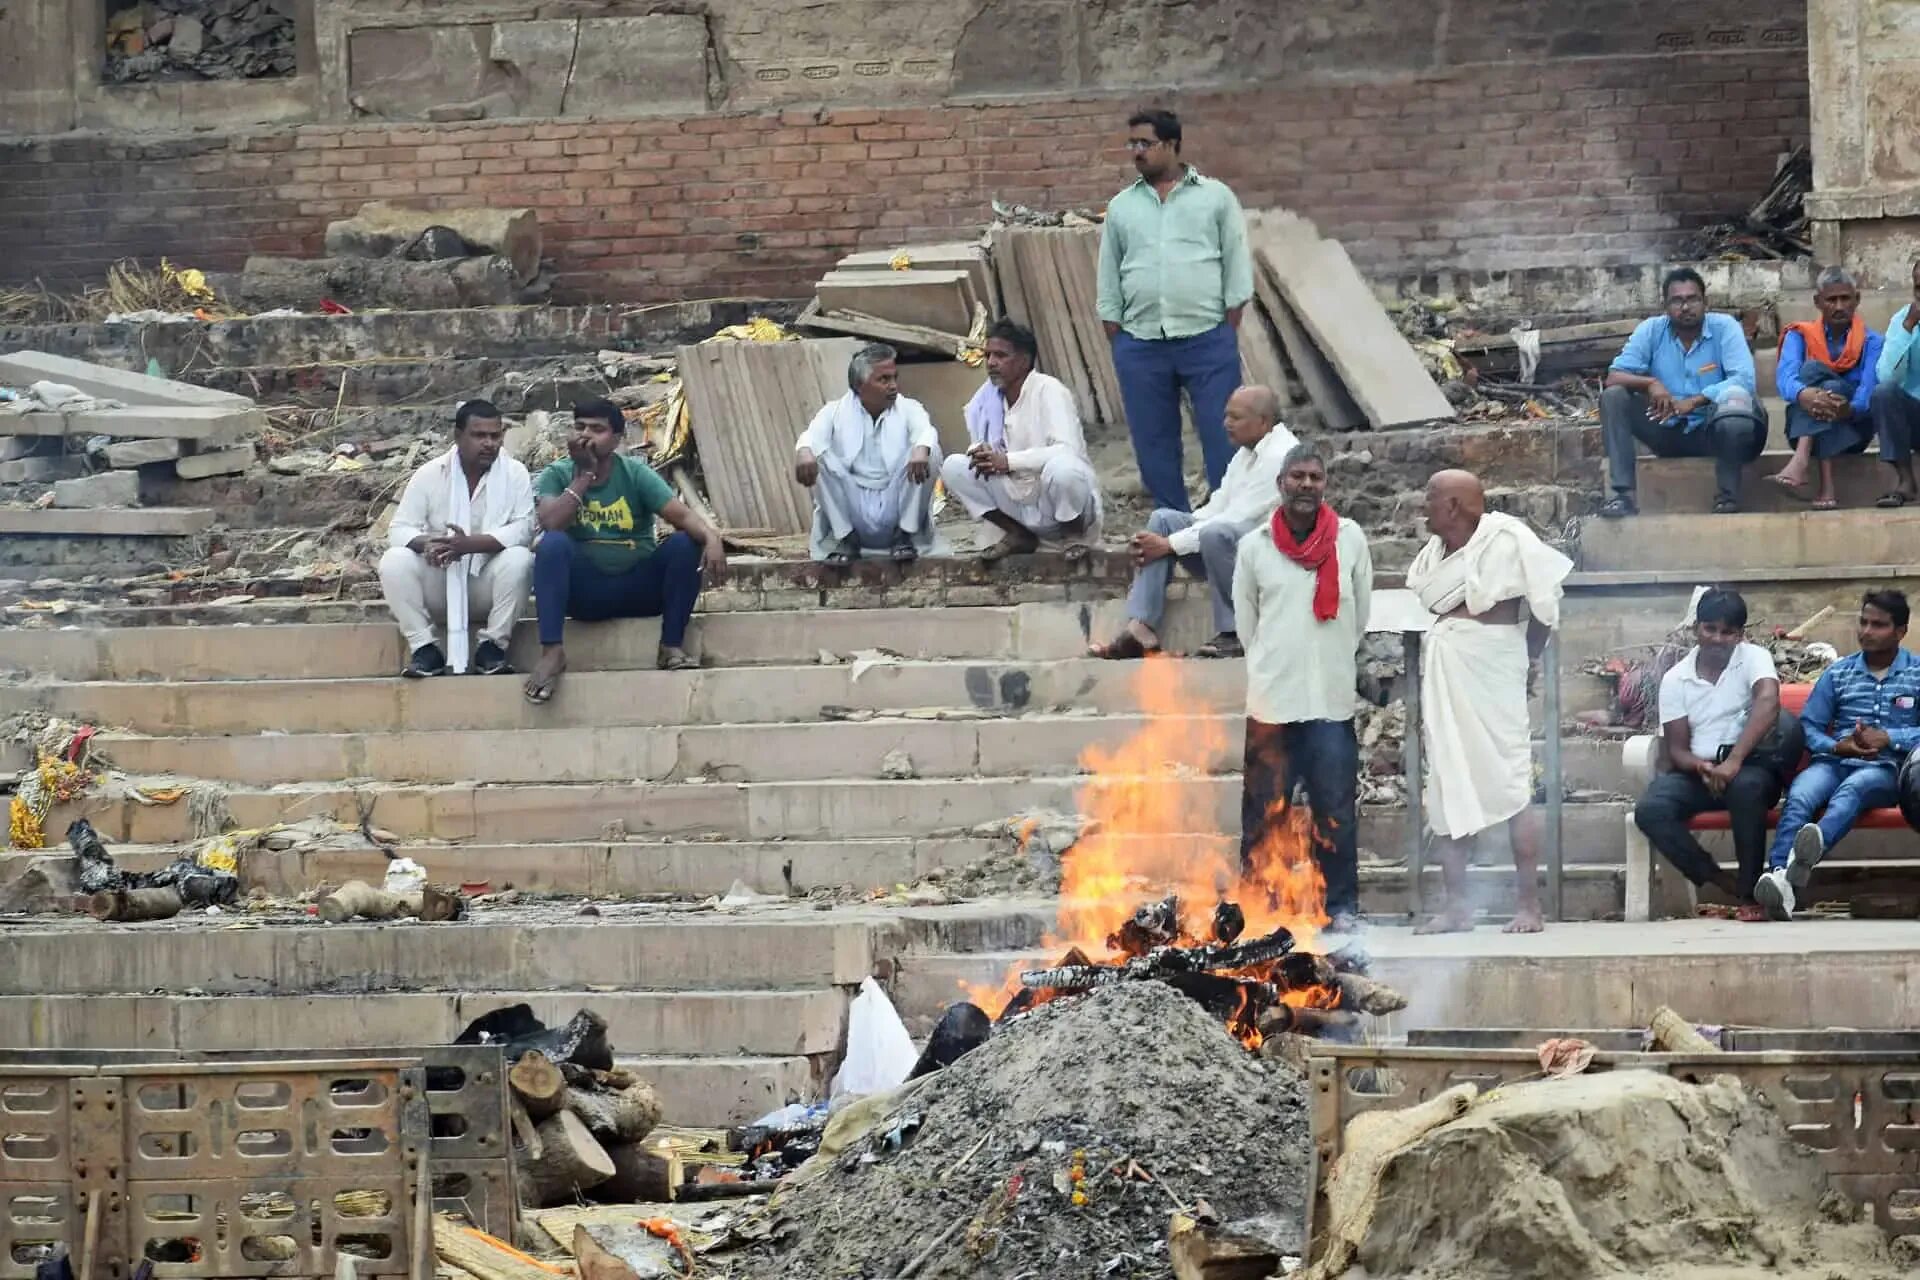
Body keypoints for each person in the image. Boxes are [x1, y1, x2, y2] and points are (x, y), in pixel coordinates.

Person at [1405, 470, 1573, 933]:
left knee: (1512, 783)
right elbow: (1428, 599)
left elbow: (1544, 608)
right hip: (1448, 667)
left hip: (1493, 664)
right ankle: (1458, 906)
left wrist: (1526, 659)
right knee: (1447, 784)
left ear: (1453, 506)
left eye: (1431, 498)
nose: (1425, 506)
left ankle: (1528, 906)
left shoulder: (1507, 540)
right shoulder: (1434, 554)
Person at [1233, 444, 1373, 930]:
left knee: (1334, 811)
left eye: (1315, 476)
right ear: (1281, 484)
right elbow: (1247, 625)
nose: (1307, 485)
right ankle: (1257, 912)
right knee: (1263, 812)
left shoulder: (1350, 540)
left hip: (1330, 703)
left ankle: (1339, 909)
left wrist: (1326, 660)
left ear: (1325, 484)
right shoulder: (1254, 547)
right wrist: (1280, 664)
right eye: (1298, 476)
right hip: (1273, 701)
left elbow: (1360, 618)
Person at [1097, 106, 1253, 514]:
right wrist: (1115, 327)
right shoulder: (1122, 207)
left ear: (1172, 145)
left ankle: (1225, 520)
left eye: (1145, 144)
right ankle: (1173, 524)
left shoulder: (1215, 197)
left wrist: (1227, 320)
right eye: (1132, 144)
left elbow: (1236, 263)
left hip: (1206, 338)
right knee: (1153, 440)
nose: (1136, 152)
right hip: (1141, 342)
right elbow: (1109, 271)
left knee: (1224, 434)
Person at [523, 398, 728, 703]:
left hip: (638, 588)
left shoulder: (634, 473)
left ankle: (671, 646)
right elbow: (551, 523)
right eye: (579, 427)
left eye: (597, 429)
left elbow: (682, 516)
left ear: (617, 439)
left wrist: (713, 539)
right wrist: (583, 478)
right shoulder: (558, 473)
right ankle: (552, 652)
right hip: (585, 595)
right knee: (552, 544)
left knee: (686, 543)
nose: (586, 436)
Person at [1089, 384, 1296, 660]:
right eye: (1226, 416)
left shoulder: (1278, 456)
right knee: (1163, 519)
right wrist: (1163, 538)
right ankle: (1141, 628)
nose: (1226, 424)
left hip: (1273, 559)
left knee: (1214, 534)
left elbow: (1236, 518)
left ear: (1263, 422)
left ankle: (1236, 633)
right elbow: (1218, 505)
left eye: (1235, 418)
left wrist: (1170, 545)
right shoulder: (1247, 453)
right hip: (1237, 553)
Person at [1632, 588, 1802, 921]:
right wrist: (1703, 767)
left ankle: (1751, 892)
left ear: (1740, 634)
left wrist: (1733, 762)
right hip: (1700, 773)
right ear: (1697, 629)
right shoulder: (1675, 678)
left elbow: (1768, 702)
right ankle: (1717, 878)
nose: (1717, 638)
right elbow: (1677, 749)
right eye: (1710, 629)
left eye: (1728, 632)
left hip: (1750, 765)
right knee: (1651, 809)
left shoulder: (1753, 657)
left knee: (1747, 788)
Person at [1754, 590, 1920, 920]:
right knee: (1801, 795)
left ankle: (1791, 870)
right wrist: (1836, 746)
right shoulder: (1838, 672)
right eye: (1863, 622)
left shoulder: (1917, 672)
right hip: (1833, 761)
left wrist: (1890, 737)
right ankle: (1780, 879)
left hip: (1885, 767)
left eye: (1878, 625)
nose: (1866, 631)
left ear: (1900, 631)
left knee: (1853, 791)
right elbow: (1810, 726)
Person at [378, 399, 535, 678]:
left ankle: (492, 648)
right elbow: (399, 529)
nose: (489, 443)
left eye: (495, 435)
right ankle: (425, 649)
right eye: (479, 435)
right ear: (458, 436)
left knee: (520, 558)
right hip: (440, 582)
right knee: (394, 561)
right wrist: (428, 544)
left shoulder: (514, 473)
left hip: (485, 584)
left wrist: (470, 545)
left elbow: (524, 529)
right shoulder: (430, 473)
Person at [1599, 267, 1765, 517]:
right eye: (1677, 300)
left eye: (1692, 299)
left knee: (1737, 405)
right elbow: (1614, 376)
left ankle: (1728, 496)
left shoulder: (1725, 328)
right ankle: (1623, 496)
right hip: (1666, 428)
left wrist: (1695, 401)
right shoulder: (1651, 330)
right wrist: (1650, 383)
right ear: (1665, 305)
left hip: (1715, 432)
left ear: (1705, 302)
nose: (1685, 307)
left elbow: (1744, 379)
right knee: (1613, 397)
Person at [941, 320, 1102, 563]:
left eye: (1001, 355)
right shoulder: (984, 400)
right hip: (1018, 505)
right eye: (988, 355)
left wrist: (1007, 461)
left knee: (1064, 469)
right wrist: (980, 454)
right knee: (954, 466)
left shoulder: (1049, 391)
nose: (991, 363)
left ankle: (1073, 536)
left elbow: (1067, 450)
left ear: (1024, 361)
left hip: (1059, 501)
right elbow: (981, 446)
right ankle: (1018, 535)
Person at [795, 343, 939, 566]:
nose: (893, 386)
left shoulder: (909, 407)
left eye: (894, 378)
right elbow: (811, 436)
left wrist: (921, 450)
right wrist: (805, 452)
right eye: (883, 380)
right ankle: (845, 539)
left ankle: (904, 535)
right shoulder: (834, 411)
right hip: (853, 510)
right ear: (860, 385)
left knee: (929, 449)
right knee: (817, 454)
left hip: (896, 506)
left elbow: (925, 430)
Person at [1768, 266, 1883, 508]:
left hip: (1854, 430)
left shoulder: (1873, 342)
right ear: (1817, 302)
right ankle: (1825, 487)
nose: (1839, 307)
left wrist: (1848, 410)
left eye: (1845, 299)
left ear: (1857, 300)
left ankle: (1801, 463)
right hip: (1802, 424)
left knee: (1819, 377)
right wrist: (1804, 394)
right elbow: (1785, 380)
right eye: (1832, 300)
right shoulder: (1799, 335)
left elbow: (1867, 394)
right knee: (1812, 375)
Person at [1871, 259, 1920, 507]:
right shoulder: (1903, 321)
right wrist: (1907, 328)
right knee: (1883, 393)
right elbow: (1887, 377)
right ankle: (1906, 480)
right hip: (1916, 417)